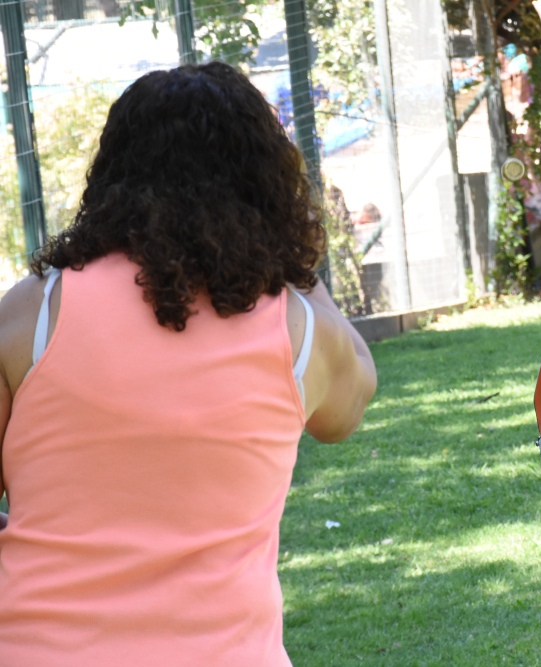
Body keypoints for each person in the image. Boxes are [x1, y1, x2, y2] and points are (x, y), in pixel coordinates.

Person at [0, 62, 377, 666]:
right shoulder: (300, 330)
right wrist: (297, 261)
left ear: (114, 175)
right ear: (264, 181)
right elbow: (351, 404)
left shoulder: (30, 313)